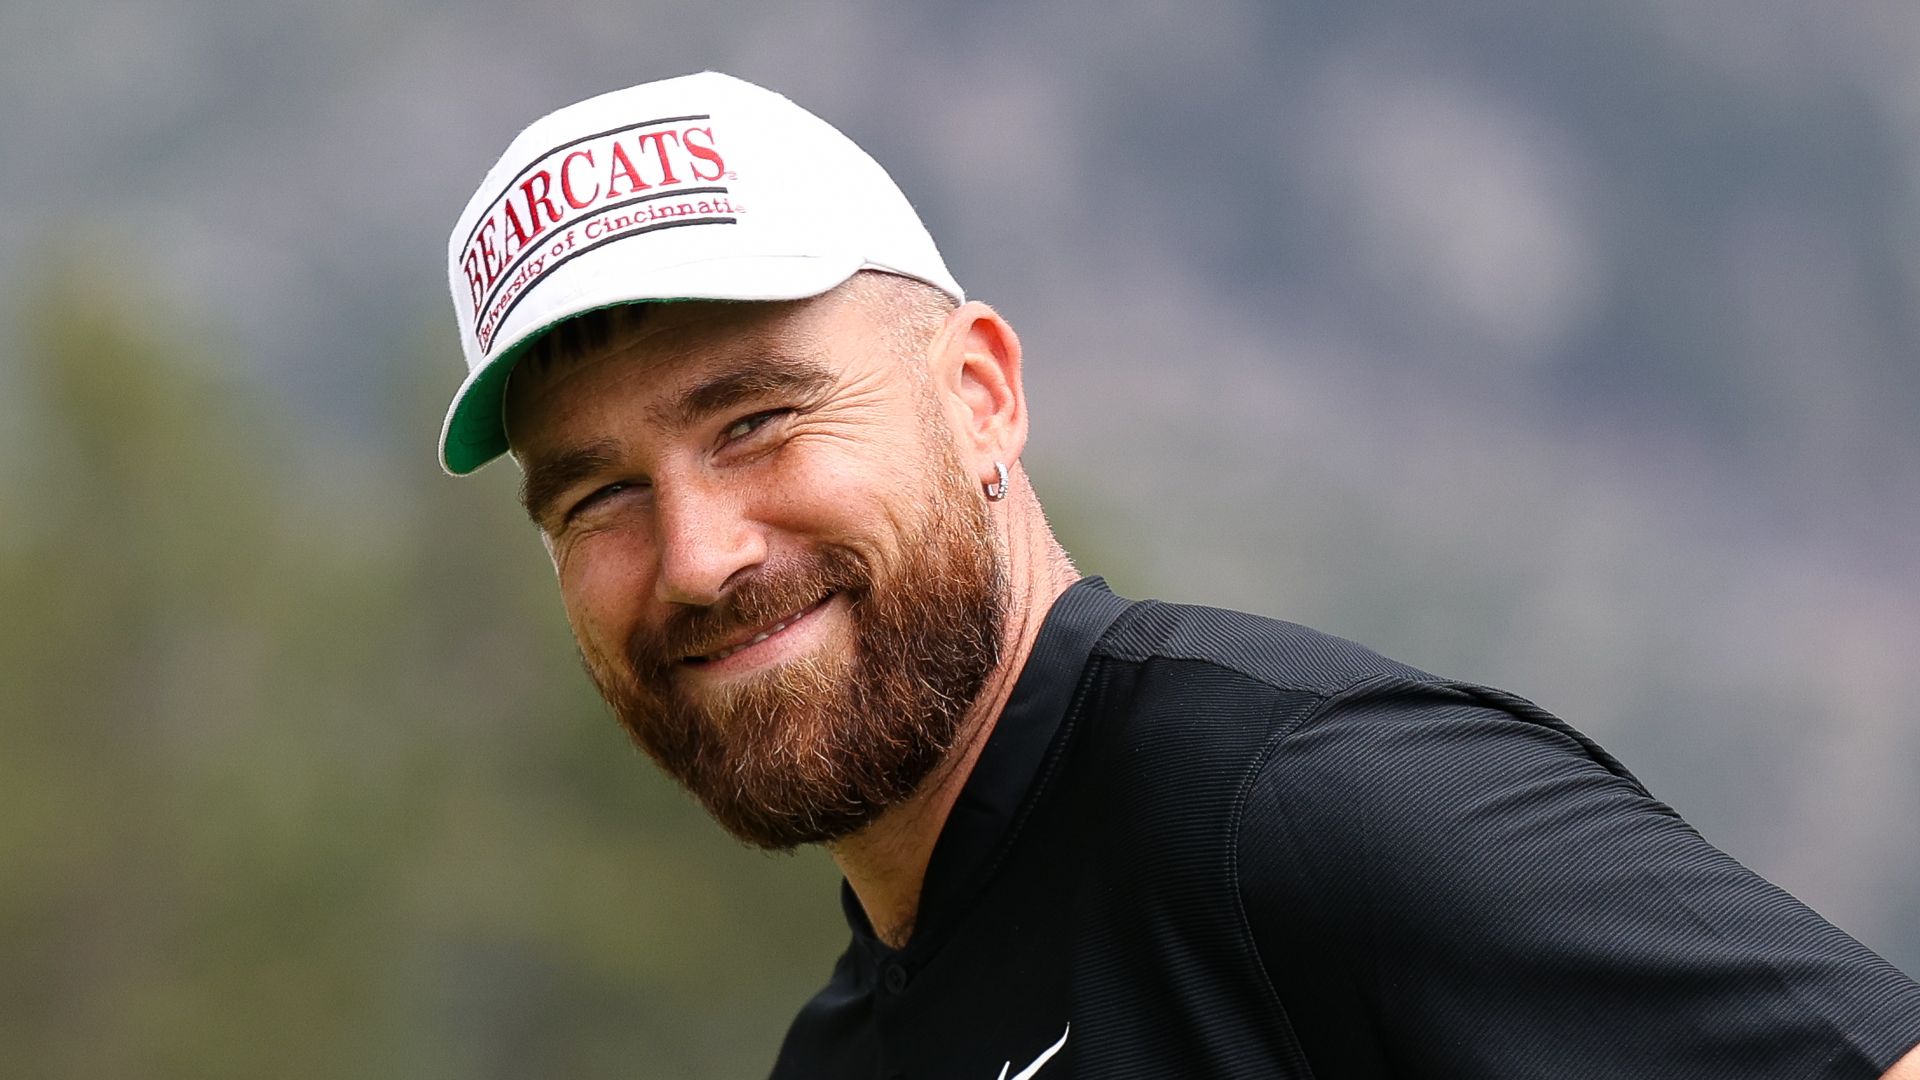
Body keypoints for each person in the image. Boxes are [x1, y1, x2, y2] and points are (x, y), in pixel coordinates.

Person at [439, 71, 1920, 1079]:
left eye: (755, 421)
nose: (697, 558)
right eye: (600, 499)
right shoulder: (843, 1052)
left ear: (979, 396)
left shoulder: (1295, 807)